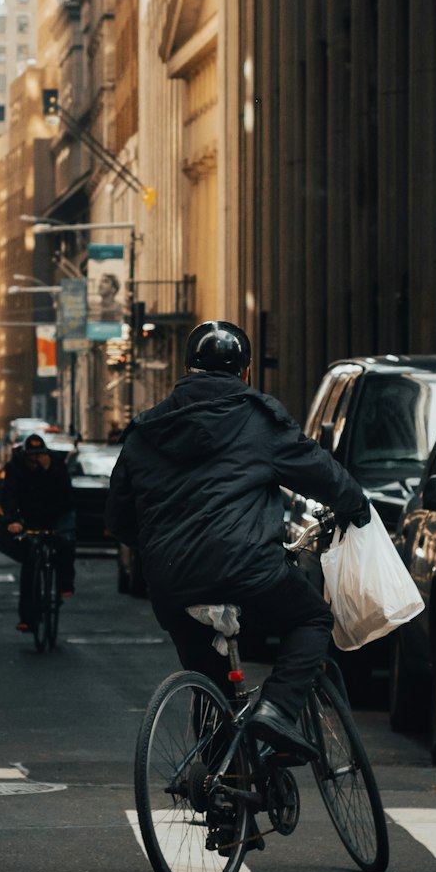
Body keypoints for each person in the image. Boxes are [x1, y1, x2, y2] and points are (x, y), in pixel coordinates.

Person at [105, 320, 370, 764]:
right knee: (311, 622)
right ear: (245, 372)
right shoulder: (258, 419)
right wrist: (355, 505)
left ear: (187, 368)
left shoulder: (145, 431)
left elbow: (119, 519)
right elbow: (320, 473)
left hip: (173, 584)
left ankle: (221, 800)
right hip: (247, 569)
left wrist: (161, 550)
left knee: (211, 689)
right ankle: (276, 710)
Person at [0, 433, 77, 632]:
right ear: (24, 455)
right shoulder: (15, 468)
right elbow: (9, 495)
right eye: (30, 456)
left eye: (38, 455)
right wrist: (13, 520)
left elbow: (66, 495)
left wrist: (49, 470)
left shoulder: (56, 465)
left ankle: (64, 583)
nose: (34, 460)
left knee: (65, 540)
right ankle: (28, 618)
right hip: (29, 516)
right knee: (30, 561)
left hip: (57, 514)